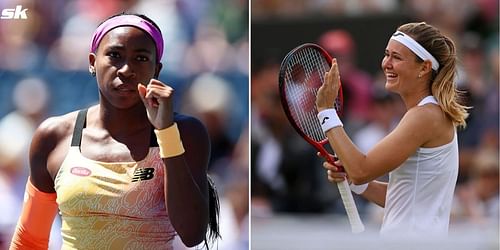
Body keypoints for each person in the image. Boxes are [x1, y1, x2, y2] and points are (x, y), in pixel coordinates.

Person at [10, 13, 219, 249]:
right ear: (92, 62)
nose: (126, 69)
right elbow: (29, 239)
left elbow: (192, 234)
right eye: (115, 55)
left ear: (156, 69)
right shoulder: (53, 136)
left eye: (140, 58)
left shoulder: (185, 133)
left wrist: (166, 131)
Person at [316, 22, 469, 237]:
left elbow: (361, 170)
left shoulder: (424, 116)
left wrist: (325, 111)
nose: (386, 63)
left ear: (424, 67)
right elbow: (403, 198)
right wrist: (355, 183)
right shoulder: (428, 114)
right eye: (387, 54)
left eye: (397, 57)